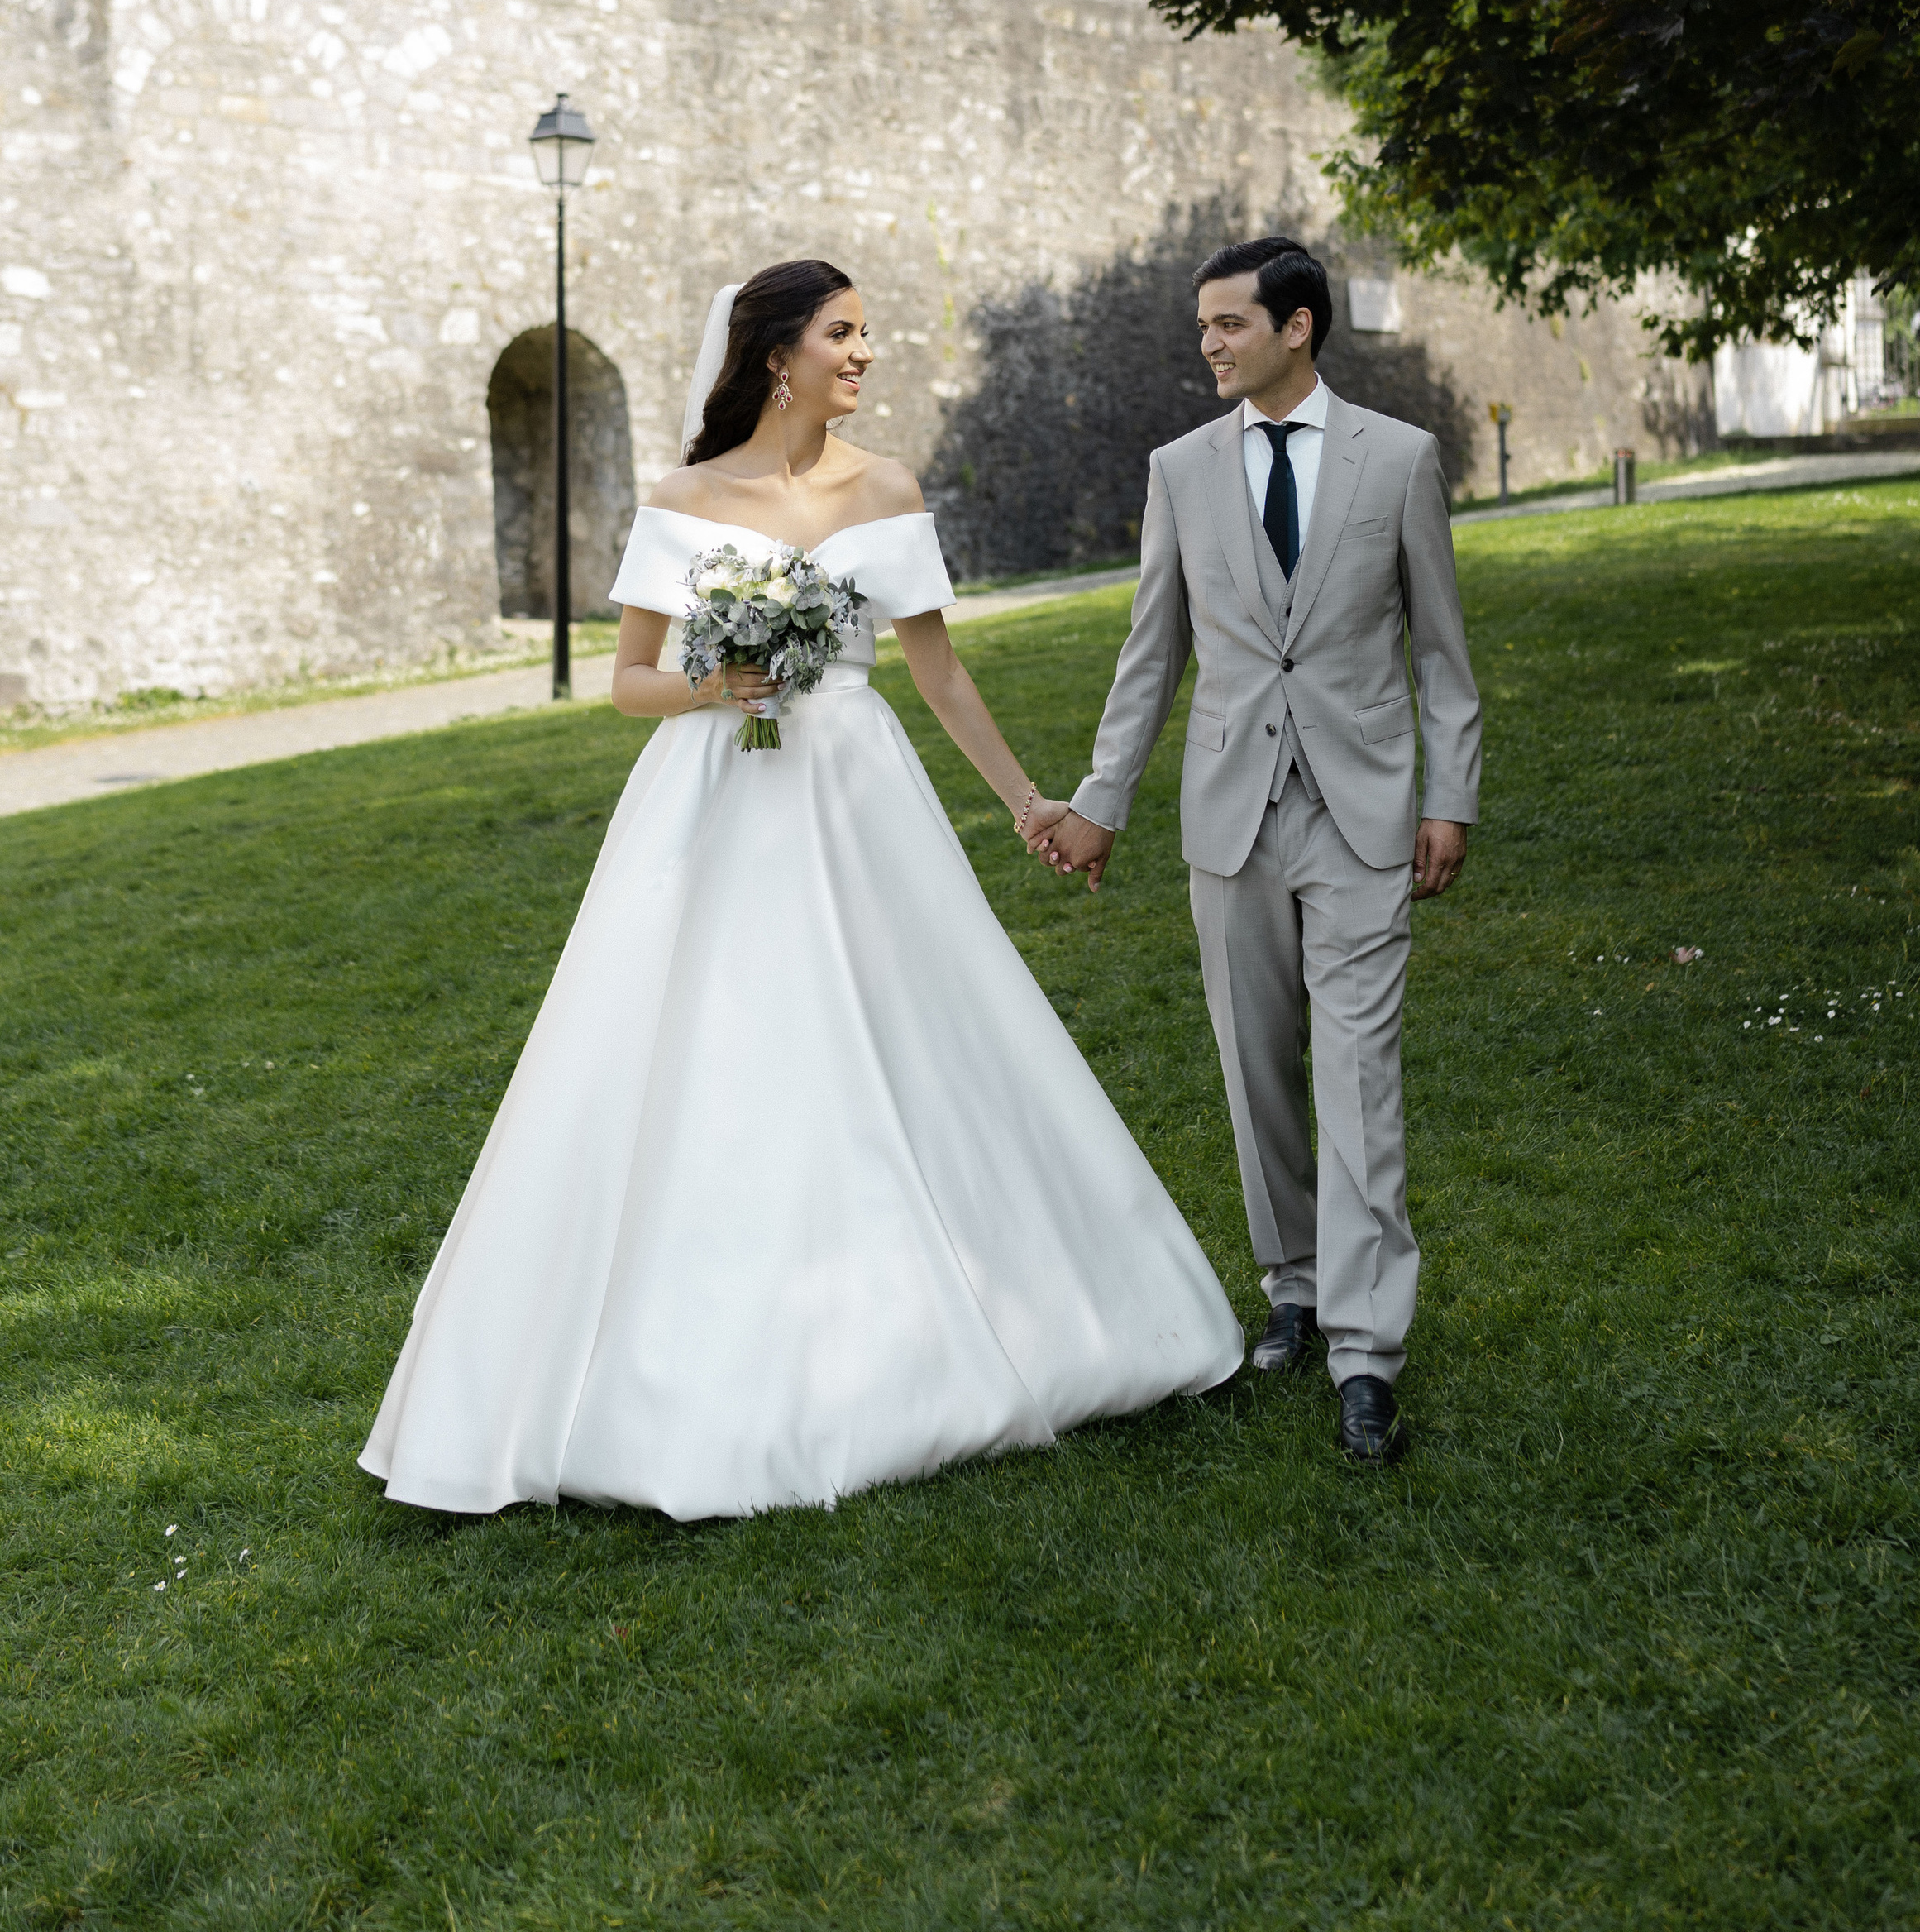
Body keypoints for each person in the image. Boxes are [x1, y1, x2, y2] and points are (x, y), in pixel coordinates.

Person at [361, 258, 1240, 1521]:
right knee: (714, 1046)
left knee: (916, 1028)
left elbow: (938, 674)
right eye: (844, 334)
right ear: (777, 354)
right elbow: (629, 684)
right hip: (717, 799)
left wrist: (1027, 803)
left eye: (868, 334)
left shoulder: (885, 488)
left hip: (855, 790)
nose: (865, 354)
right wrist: (723, 687)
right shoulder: (684, 497)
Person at [1026, 237, 1481, 1466]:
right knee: (1256, 1071)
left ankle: (1367, 1353)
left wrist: (1453, 798)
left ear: (1299, 328)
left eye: (1230, 325)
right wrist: (1099, 801)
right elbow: (1150, 657)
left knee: (1358, 1076)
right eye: (1204, 330)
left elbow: (1440, 654)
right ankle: (1293, 1283)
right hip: (1231, 811)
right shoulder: (1180, 470)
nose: (1211, 346)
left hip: (1365, 813)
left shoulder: (1400, 460)